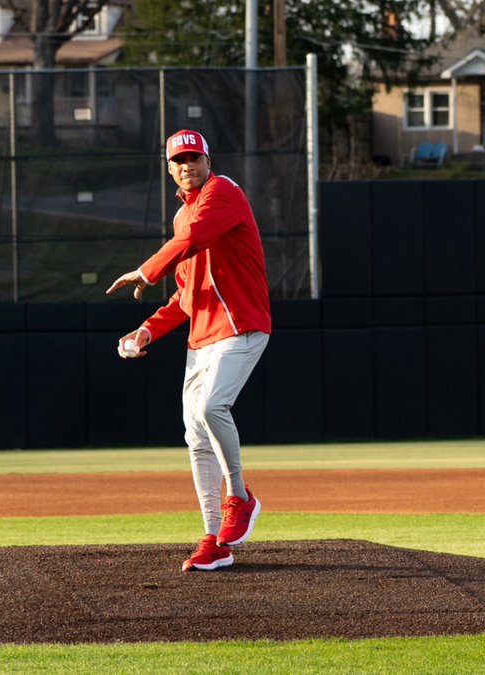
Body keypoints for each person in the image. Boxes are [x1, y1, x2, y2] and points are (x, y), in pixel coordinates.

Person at [106, 129, 272, 573]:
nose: (187, 166)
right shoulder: (181, 222)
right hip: (202, 337)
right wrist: (146, 331)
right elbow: (185, 296)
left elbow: (195, 237)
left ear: (207, 160)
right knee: (196, 437)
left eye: (194, 158)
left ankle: (240, 495)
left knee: (212, 407)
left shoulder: (223, 193)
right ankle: (215, 541)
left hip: (241, 326)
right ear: (169, 169)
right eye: (179, 160)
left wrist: (144, 270)